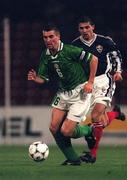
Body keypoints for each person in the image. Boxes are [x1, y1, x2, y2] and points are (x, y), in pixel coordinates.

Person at [27, 23, 98, 165]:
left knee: (66, 131)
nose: (48, 40)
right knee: (53, 127)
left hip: (80, 92)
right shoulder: (46, 55)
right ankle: (73, 159)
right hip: (63, 93)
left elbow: (94, 59)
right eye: (45, 37)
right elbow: (43, 78)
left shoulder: (70, 50)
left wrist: (90, 82)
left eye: (51, 36)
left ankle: (89, 130)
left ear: (58, 37)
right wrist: (36, 78)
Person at [72, 16, 126, 163]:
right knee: (99, 121)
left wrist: (118, 72)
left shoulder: (105, 41)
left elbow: (117, 57)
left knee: (95, 116)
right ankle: (115, 113)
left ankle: (92, 154)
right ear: (79, 29)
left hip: (104, 80)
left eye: (87, 27)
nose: (84, 30)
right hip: (87, 83)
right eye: (81, 28)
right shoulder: (75, 44)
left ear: (92, 27)